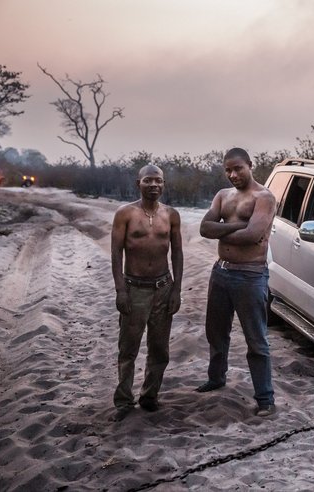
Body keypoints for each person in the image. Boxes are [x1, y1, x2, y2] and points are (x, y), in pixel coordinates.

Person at [196, 148, 277, 417]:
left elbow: (252, 235)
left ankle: (265, 399)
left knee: (256, 340)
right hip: (221, 272)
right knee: (216, 332)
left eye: (238, 168)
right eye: (228, 170)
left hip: (250, 275)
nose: (233, 174)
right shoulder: (223, 195)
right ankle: (217, 378)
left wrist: (222, 229)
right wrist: (235, 228)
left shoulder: (263, 197)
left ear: (250, 165)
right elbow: (204, 228)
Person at [110, 164, 183, 421]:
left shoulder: (171, 215)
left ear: (164, 184)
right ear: (137, 183)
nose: (154, 185)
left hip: (163, 288)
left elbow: (177, 253)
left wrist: (177, 289)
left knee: (159, 348)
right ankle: (123, 400)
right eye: (148, 181)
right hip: (134, 288)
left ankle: (150, 396)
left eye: (159, 181)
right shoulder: (125, 214)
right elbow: (116, 253)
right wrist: (120, 290)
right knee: (128, 348)